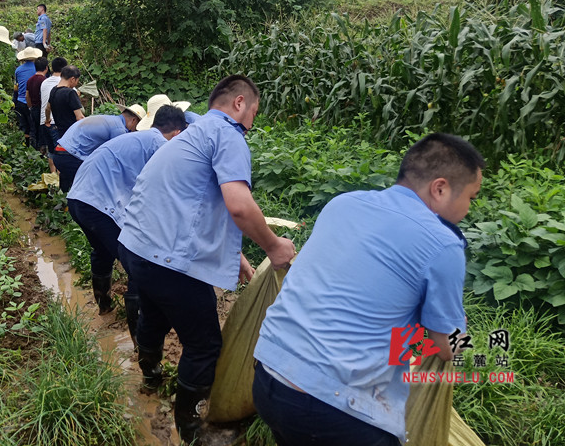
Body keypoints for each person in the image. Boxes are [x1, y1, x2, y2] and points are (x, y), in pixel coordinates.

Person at [253, 133, 485, 446]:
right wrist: (465, 336)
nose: (469, 207)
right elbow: (445, 348)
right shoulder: (443, 244)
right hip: (330, 409)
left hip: (268, 375)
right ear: (440, 188)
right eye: (471, 197)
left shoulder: (343, 203)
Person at [117, 75, 296, 445]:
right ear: (239, 103)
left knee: (154, 311)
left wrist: (238, 258)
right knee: (203, 345)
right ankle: (192, 427)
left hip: (134, 245)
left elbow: (195, 203)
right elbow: (239, 207)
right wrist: (275, 247)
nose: (252, 122)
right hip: (166, 258)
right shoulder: (227, 134)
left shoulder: (192, 136)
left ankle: (149, 374)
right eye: (254, 113)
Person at [68, 105, 186, 339]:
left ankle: (104, 306)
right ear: (176, 133)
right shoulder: (161, 146)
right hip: (97, 203)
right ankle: (139, 341)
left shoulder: (139, 139)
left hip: (77, 199)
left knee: (102, 251)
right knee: (136, 262)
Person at [44, 65, 84, 177]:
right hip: (72, 134)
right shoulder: (71, 93)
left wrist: (48, 120)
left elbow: (47, 108)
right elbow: (79, 117)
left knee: (60, 159)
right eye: (77, 81)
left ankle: (59, 186)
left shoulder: (54, 91)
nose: (76, 84)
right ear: (72, 79)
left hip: (60, 132)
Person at [40, 56, 67, 173]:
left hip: (44, 122)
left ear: (51, 68)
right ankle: (61, 180)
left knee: (51, 151)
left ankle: (53, 178)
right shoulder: (64, 83)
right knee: (60, 151)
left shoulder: (44, 82)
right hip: (56, 122)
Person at [14, 46, 44, 146]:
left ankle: (26, 147)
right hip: (33, 102)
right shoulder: (37, 69)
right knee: (34, 127)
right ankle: (36, 147)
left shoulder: (18, 70)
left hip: (20, 102)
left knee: (25, 126)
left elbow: (17, 86)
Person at [24, 57, 48, 149]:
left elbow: (27, 95)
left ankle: (34, 150)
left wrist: (30, 107)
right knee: (42, 131)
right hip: (42, 109)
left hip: (33, 108)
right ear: (46, 68)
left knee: (35, 131)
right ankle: (41, 151)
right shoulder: (44, 81)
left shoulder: (30, 80)